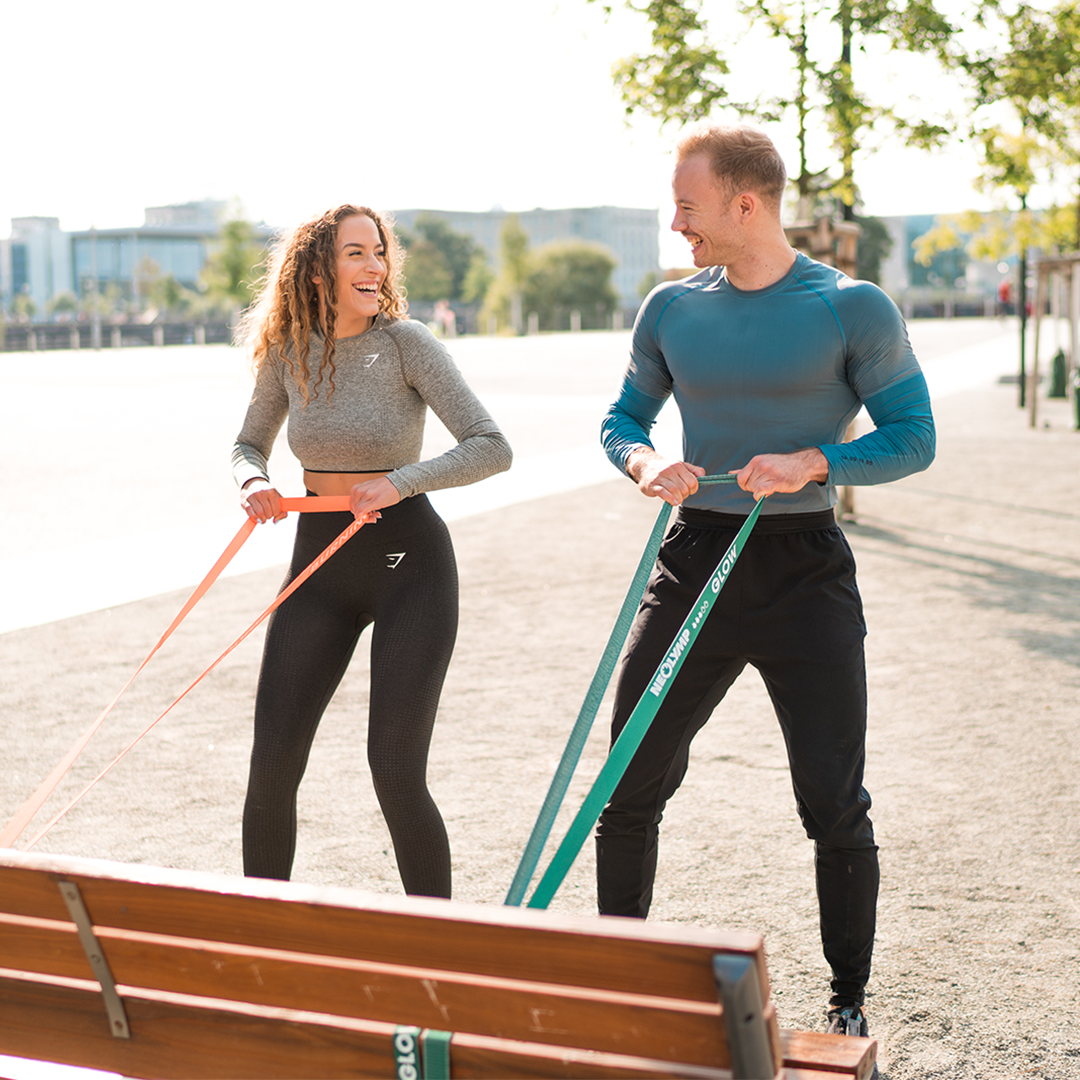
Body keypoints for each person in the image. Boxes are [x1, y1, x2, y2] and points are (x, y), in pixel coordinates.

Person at [597, 125, 935, 1037]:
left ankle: (848, 1001)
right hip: (693, 559)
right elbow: (623, 418)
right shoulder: (670, 310)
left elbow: (913, 439)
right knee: (625, 786)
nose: (677, 226)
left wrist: (815, 461)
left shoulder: (851, 308)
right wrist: (641, 465)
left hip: (802, 574)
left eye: (689, 208)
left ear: (747, 204)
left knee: (833, 799)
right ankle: (622, 991)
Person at [232, 204, 512, 898]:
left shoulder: (408, 343)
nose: (375, 266)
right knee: (272, 764)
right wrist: (255, 481)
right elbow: (247, 445)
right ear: (318, 269)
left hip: (408, 567)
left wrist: (399, 482)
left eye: (379, 252)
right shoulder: (287, 349)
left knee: (392, 765)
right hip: (319, 566)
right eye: (356, 253)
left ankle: (436, 948)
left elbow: (491, 446)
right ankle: (265, 946)